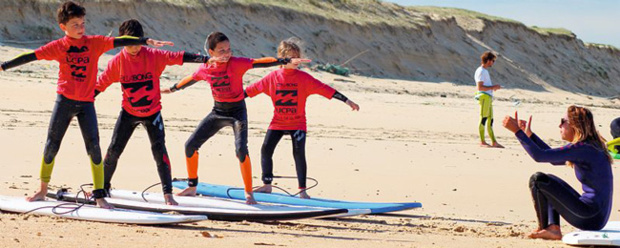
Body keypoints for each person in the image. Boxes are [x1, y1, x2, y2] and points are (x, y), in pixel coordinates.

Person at [0, 1, 173, 208]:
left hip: (86, 104)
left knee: (94, 148)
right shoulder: (58, 47)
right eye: (75, 25)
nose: (81, 28)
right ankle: (42, 189)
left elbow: (119, 42)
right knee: (52, 145)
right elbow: (31, 56)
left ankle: (99, 196)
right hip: (64, 101)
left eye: (83, 23)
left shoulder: (94, 42)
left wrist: (145, 41)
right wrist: (4, 66)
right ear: (63, 27)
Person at [163, 32, 309, 204]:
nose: (227, 54)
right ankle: (192, 186)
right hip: (217, 112)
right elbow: (191, 78)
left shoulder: (237, 63)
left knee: (241, 150)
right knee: (190, 145)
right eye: (221, 51)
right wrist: (173, 88)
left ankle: (249, 193)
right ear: (211, 52)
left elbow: (258, 63)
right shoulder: (205, 69)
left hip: (237, 113)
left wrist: (284, 61)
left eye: (228, 49)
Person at [96, 19, 210, 206]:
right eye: (129, 44)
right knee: (114, 150)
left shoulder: (153, 56)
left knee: (159, 152)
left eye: (137, 43)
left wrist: (206, 59)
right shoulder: (117, 62)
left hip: (153, 113)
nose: (134, 48)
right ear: (121, 42)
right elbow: (100, 85)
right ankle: (103, 187)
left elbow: (179, 57)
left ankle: (168, 194)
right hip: (128, 112)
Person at [246, 38, 359, 199]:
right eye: (293, 56)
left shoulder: (304, 78)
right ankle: (267, 185)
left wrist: (347, 100)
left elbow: (326, 89)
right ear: (282, 58)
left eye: (298, 56)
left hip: (298, 123)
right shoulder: (272, 77)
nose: (297, 60)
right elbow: (250, 90)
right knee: (266, 150)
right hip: (277, 122)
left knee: (299, 153)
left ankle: (302, 191)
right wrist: (230, 99)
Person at [502, 106, 613, 240]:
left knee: (537, 180)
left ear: (575, 125)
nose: (559, 125)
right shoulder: (589, 146)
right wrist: (529, 135)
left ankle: (547, 228)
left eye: (563, 121)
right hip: (596, 217)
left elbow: (540, 156)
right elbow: (552, 159)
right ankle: (553, 227)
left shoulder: (583, 148)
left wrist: (517, 132)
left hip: (589, 217)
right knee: (549, 180)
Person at [475, 51, 503, 148]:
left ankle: (494, 142)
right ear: (488, 60)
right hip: (483, 97)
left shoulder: (484, 71)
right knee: (483, 118)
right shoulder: (481, 71)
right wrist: (493, 87)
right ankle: (482, 141)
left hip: (488, 97)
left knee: (490, 120)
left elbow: (484, 86)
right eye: (493, 61)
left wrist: (493, 88)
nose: (493, 63)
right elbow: (480, 87)